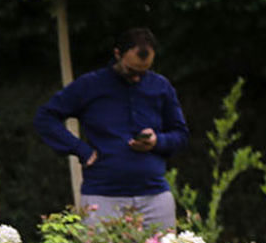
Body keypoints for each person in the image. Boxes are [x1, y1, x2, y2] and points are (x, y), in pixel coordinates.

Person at [33, 27, 190, 228]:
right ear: (117, 54)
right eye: (131, 70)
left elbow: (181, 135)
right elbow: (45, 117)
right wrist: (81, 150)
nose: (137, 78)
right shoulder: (90, 85)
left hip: (155, 196)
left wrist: (158, 141)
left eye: (143, 72)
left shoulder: (161, 87)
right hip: (102, 196)